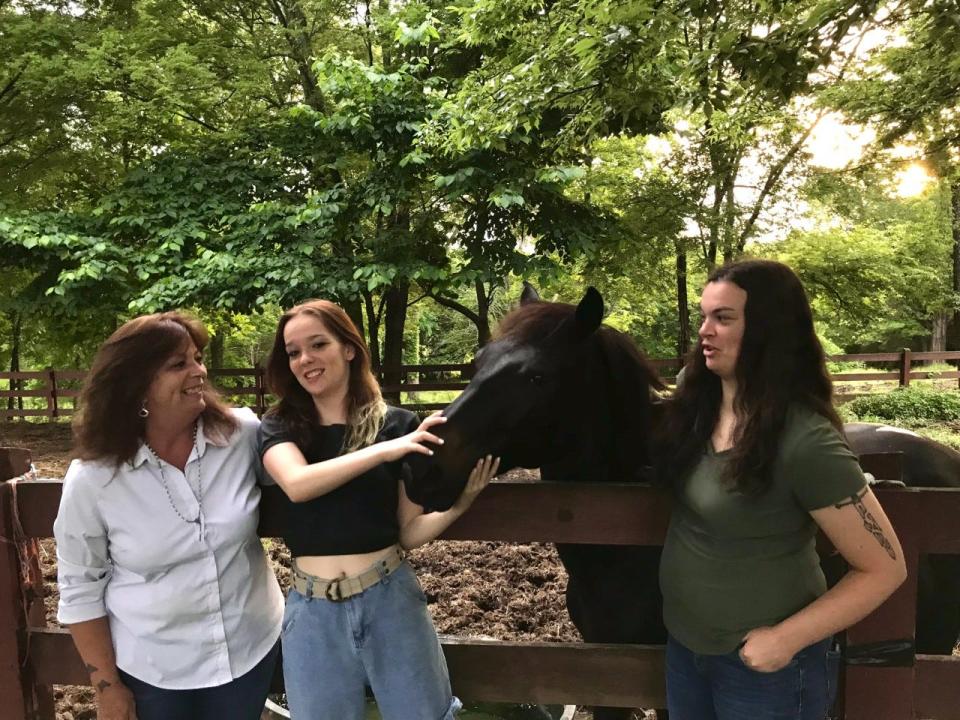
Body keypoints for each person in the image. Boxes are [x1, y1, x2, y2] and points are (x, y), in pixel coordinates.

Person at [656, 259, 907, 720]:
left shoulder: (805, 441)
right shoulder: (695, 411)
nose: (705, 331)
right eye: (704, 316)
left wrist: (784, 640)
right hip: (686, 652)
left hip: (764, 672)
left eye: (723, 318)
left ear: (768, 329)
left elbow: (885, 567)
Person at [259, 299, 498, 720]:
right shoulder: (281, 426)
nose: (305, 360)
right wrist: (384, 451)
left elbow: (408, 532)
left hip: (391, 599)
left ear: (349, 348)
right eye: (294, 352)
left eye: (318, 344)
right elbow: (298, 485)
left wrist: (460, 506)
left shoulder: (400, 426)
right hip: (312, 610)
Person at [54, 312, 284, 720]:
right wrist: (107, 686)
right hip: (153, 671)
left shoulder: (242, 435)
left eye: (197, 358)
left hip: (249, 652)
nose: (199, 371)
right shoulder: (94, 478)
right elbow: (79, 586)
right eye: (178, 365)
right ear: (136, 386)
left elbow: (307, 479)